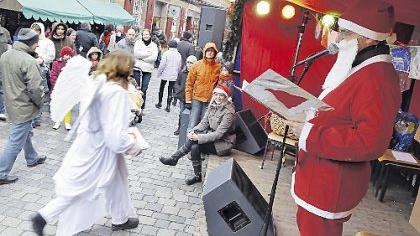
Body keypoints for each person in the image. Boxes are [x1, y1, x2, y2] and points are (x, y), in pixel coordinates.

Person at [286, 1, 402, 235]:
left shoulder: (377, 77)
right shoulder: (362, 66)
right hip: (321, 178)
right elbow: (342, 110)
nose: (339, 40)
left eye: (347, 33)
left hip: (330, 184)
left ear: (369, 38)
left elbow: (370, 141)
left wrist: (309, 133)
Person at [31, 50, 144, 235]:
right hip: (100, 150)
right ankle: (43, 216)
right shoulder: (115, 92)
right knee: (82, 188)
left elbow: (102, 111)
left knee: (117, 180)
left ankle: (120, 217)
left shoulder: (97, 82)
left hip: (90, 144)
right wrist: (133, 145)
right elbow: (114, 135)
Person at [160, 84, 236, 185]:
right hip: (213, 138)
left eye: (221, 95)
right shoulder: (213, 105)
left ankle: (175, 159)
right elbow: (204, 123)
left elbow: (219, 134)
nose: (218, 97)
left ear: (226, 97)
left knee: (195, 144)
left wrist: (198, 137)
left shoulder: (228, 113)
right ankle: (197, 175)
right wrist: (194, 131)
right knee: (194, 146)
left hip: (223, 143)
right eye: (216, 94)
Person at [0, 28, 46, 185]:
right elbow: (36, 89)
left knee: (25, 133)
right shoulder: (28, 61)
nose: (38, 45)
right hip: (23, 106)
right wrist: (40, 104)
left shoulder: (6, 55)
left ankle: (32, 157)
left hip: (11, 102)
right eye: (36, 43)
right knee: (15, 141)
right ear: (30, 43)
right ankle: (1, 172)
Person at [185, 42, 221, 132]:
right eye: (208, 50)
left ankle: (199, 145)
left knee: (204, 125)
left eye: (212, 51)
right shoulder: (197, 65)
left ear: (215, 53)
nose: (210, 53)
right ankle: (188, 145)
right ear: (205, 51)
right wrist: (188, 100)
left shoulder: (218, 67)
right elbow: (189, 83)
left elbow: (220, 84)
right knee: (192, 124)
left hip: (210, 100)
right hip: (197, 98)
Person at [50, 46, 75, 130]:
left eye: (69, 55)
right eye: (65, 54)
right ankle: (58, 121)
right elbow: (53, 75)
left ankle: (67, 121)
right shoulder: (56, 63)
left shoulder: (73, 64)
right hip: (59, 88)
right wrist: (57, 85)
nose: (67, 56)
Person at [133, 29, 158, 111]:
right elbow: (136, 54)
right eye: (144, 35)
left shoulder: (154, 45)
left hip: (148, 69)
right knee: (137, 88)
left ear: (150, 35)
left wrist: (142, 58)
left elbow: (154, 58)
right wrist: (147, 54)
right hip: (137, 68)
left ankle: (142, 106)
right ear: (142, 35)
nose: (146, 36)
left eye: (147, 34)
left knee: (144, 88)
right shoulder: (138, 43)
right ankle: (135, 105)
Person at [173, 55, 197, 135]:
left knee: (191, 115)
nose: (189, 65)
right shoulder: (182, 73)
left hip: (192, 98)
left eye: (191, 63)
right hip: (182, 97)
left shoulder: (196, 74)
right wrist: (178, 90)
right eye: (188, 62)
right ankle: (180, 128)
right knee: (181, 113)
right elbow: (177, 83)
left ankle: (188, 129)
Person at [155, 40, 182, 112]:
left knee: (162, 88)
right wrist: (177, 72)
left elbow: (162, 65)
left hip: (165, 73)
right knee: (170, 90)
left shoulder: (166, 53)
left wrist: (159, 73)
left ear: (169, 45)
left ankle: (160, 102)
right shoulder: (178, 54)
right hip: (173, 74)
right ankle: (168, 106)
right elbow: (179, 66)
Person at [0, 23, 12, 122]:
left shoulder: (5, 32)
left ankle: (1, 111)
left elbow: (10, 47)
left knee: (1, 89)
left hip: (2, 65)